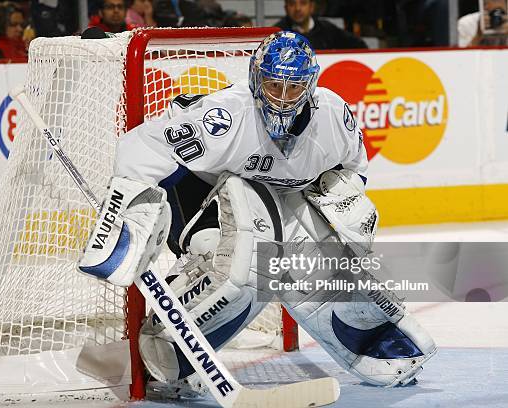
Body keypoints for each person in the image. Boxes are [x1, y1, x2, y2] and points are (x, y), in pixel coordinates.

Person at [77, 31, 437, 389]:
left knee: (318, 274)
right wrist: (127, 214)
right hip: (200, 183)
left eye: (293, 88)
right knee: (240, 274)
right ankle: (163, 346)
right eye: (272, 85)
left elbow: (354, 168)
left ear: (309, 87)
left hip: (274, 195)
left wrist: (343, 203)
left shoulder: (333, 118)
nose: (282, 99)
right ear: (254, 79)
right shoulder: (227, 117)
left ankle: (385, 350)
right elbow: (142, 147)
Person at [274, 0, 367, 50]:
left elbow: (359, 45)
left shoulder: (328, 29)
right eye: (292, 4)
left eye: (303, 3)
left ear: (311, 7)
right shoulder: (278, 33)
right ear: (286, 8)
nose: (297, 8)